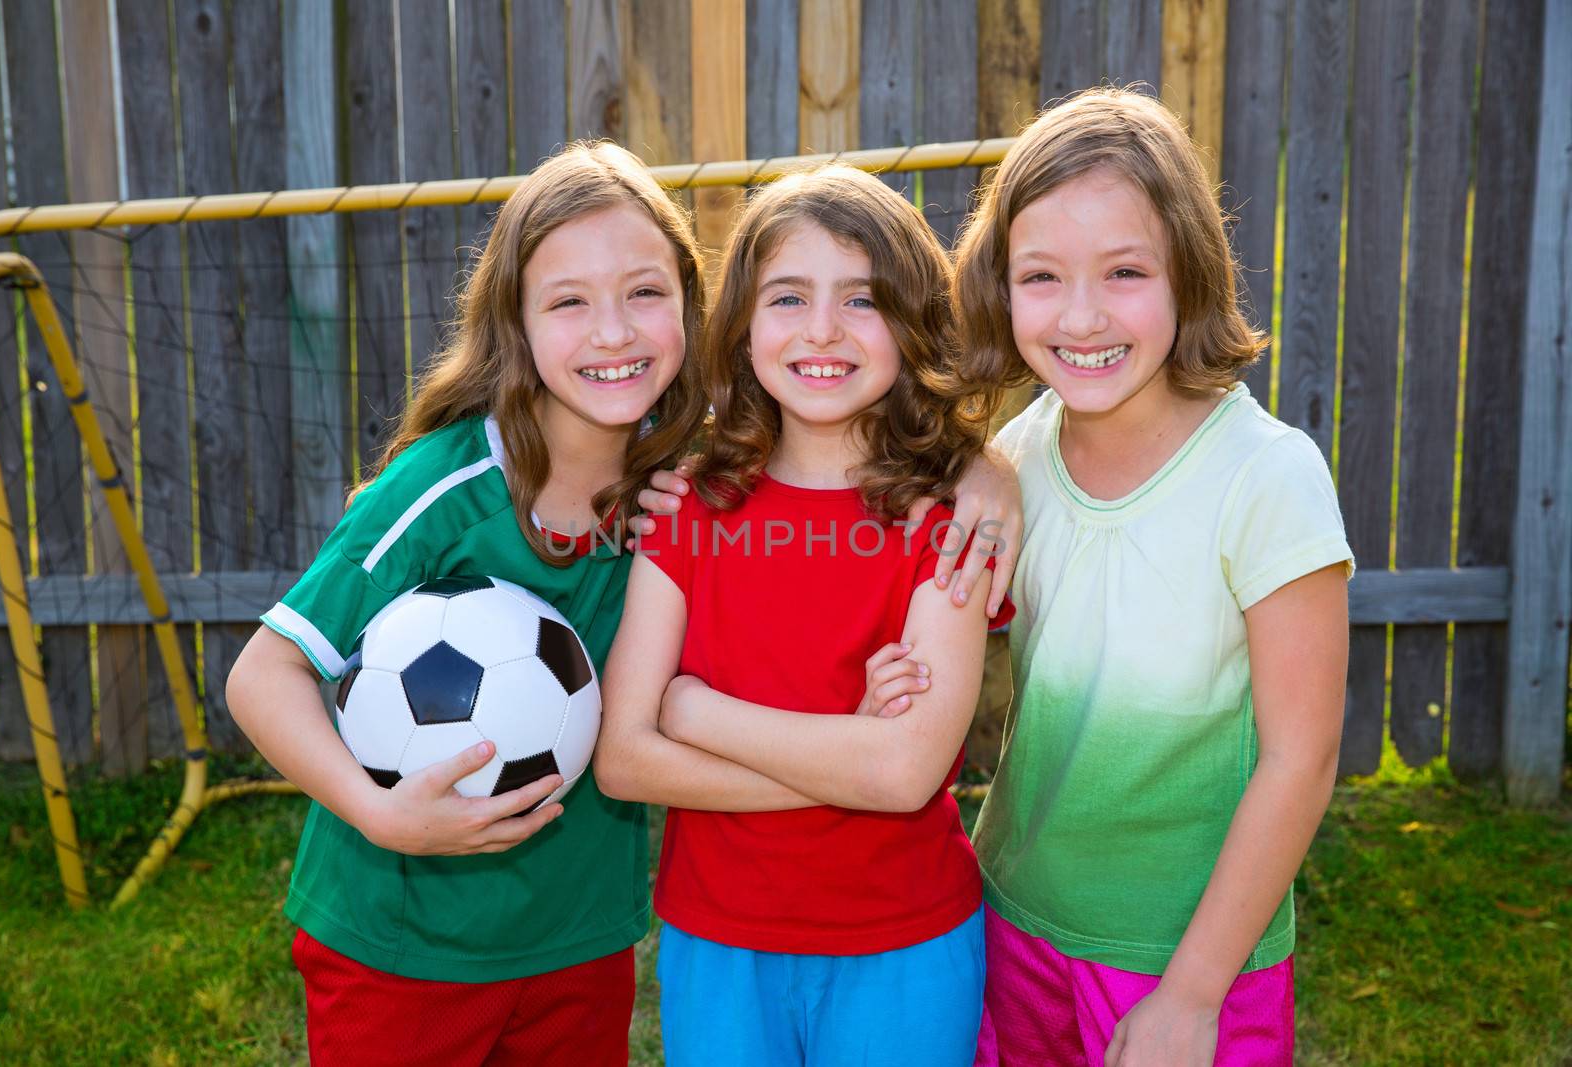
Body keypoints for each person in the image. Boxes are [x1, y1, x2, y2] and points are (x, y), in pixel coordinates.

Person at [225, 141, 708, 1067]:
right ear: (516, 325)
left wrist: (987, 478)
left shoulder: (689, 476)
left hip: (578, 935)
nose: (613, 331)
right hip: (399, 937)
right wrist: (381, 814)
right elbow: (264, 674)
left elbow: (850, 453)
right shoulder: (443, 487)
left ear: (688, 300)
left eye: (645, 292)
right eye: (568, 301)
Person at [953, 88, 1354, 1067]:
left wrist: (1191, 992)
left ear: (1188, 272)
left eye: (1124, 272)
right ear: (999, 288)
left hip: (1187, 955)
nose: (1081, 315)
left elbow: (1300, 758)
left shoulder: (1268, 476)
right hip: (1013, 912)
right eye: (1040, 276)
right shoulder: (1016, 455)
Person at [595, 163, 1014, 1067]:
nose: (822, 329)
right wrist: (844, 753)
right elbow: (625, 757)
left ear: (911, 326)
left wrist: (698, 714)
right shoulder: (689, 511)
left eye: (861, 301)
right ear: (742, 326)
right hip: (720, 942)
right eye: (788, 296)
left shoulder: (945, 526)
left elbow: (905, 775)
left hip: (905, 940)